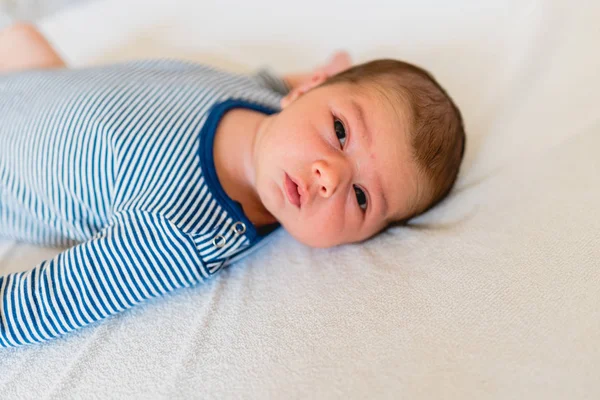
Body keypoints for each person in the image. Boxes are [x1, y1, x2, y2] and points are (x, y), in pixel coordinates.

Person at [0, 22, 465, 347]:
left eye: (362, 198)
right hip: (41, 82)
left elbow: (41, 305)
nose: (331, 177)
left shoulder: (184, 232)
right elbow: (273, 82)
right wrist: (326, 69)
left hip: (9, 165)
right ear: (307, 89)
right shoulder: (263, 99)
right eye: (341, 131)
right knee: (22, 38)